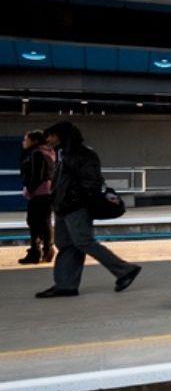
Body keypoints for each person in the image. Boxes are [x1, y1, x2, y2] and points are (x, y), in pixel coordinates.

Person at [36, 121, 139, 298]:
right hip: (62, 207)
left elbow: (91, 182)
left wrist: (73, 200)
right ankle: (65, 285)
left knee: (83, 242)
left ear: (62, 135)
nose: (48, 139)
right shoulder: (63, 154)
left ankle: (125, 270)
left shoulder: (83, 155)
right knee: (66, 245)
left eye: (51, 135)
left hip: (75, 207)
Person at [18, 131, 56, 264]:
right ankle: (47, 249)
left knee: (33, 222)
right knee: (45, 222)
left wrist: (29, 190)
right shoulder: (50, 152)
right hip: (48, 192)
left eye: (25, 139)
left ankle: (35, 252)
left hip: (38, 193)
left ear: (34, 141)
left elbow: (36, 175)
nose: (24, 142)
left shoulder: (36, 153)